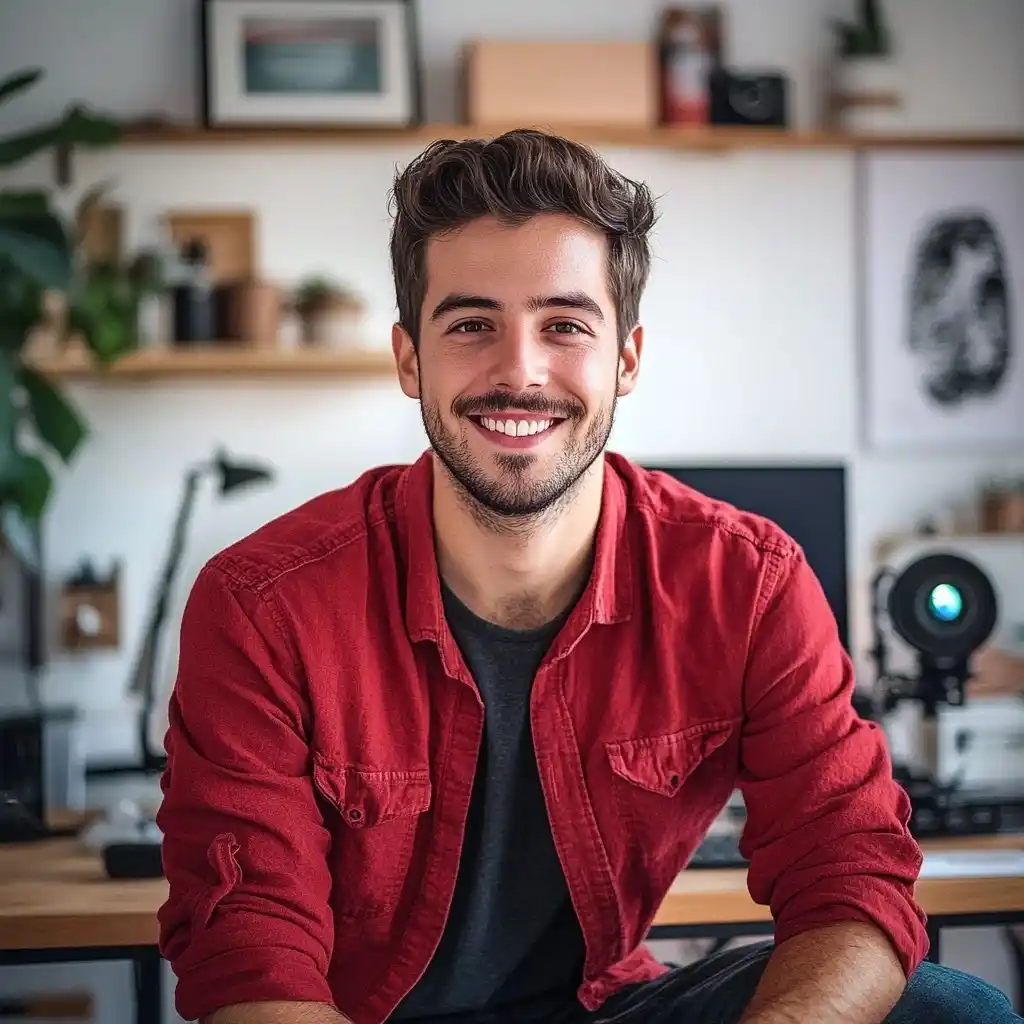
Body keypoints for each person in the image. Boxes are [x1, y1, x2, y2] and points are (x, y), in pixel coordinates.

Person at [157, 130, 1020, 1024]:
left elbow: (850, 871)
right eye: (471, 325)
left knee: (950, 1010)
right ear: (410, 358)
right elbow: (249, 951)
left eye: (564, 325)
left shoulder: (748, 583)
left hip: (605, 1009)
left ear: (627, 359)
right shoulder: (262, 605)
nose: (519, 371)